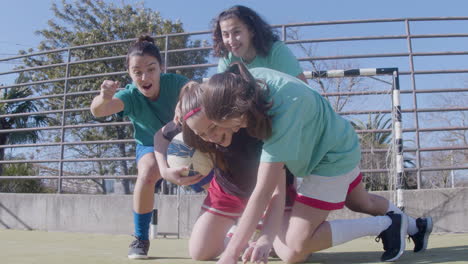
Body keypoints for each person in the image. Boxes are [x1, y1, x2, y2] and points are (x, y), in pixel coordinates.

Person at [190, 62, 432, 264]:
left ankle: (388, 223)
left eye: (232, 124)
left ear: (240, 107)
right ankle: (416, 227)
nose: (232, 130)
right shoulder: (248, 83)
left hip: (329, 158)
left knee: (295, 248)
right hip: (338, 140)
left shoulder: (281, 116)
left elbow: (264, 192)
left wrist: (231, 254)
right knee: (362, 202)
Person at [154, 81, 297, 261]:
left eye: (214, 127)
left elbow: (276, 191)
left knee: (291, 253)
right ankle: (238, 233)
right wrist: (164, 170)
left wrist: (265, 239)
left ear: (221, 110)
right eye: (202, 134)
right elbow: (160, 136)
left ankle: (256, 227)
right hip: (228, 190)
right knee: (200, 252)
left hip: (268, 193)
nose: (211, 137)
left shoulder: (253, 125)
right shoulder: (195, 121)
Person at [90, 35, 190, 259]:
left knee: (210, 171)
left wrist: (188, 101)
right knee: (146, 173)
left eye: (151, 69)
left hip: (184, 143)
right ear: (130, 74)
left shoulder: (176, 83)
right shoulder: (130, 95)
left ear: (161, 68)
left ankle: (230, 222)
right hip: (149, 146)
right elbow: (98, 111)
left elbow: (197, 92)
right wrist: (103, 97)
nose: (144, 77)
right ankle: (140, 238)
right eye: (137, 71)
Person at [212, 5, 308, 83]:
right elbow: (221, 97)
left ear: (252, 31)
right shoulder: (227, 59)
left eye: (236, 32)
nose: (231, 41)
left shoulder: (276, 51)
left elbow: (304, 92)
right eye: (225, 35)